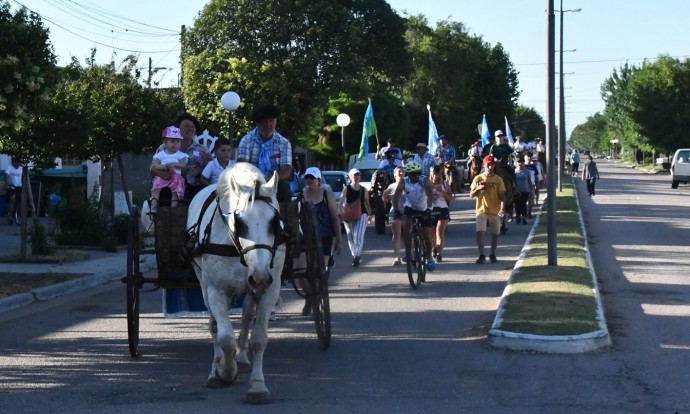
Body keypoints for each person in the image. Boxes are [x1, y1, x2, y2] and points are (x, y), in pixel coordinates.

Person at [237, 104, 293, 202]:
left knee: (285, 189)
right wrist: (256, 180)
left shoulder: (284, 143)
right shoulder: (246, 140)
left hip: (274, 183)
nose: (268, 125)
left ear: (276, 121)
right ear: (257, 123)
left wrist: (271, 180)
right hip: (251, 182)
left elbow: (286, 170)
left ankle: (286, 216)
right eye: (264, 121)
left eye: (271, 121)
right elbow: (242, 166)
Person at [151, 113, 212, 201]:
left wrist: (199, 172)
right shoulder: (164, 148)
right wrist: (165, 174)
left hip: (194, 189)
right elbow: (152, 169)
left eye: (193, 126)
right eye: (186, 126)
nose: (190, 129)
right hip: (169, 187)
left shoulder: (201, 150)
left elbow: (211, 169)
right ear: (177, 129)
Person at [392, 161, 436, 271]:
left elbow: (430, 195)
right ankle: (409, 251)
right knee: (406, 225)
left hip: (424, 208)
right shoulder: (403, 182)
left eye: (418, 173)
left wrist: (429, 209)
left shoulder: (424, 180)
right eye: (413, 174)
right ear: (409, 174)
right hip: (410, 207)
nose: (416, 175)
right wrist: (396, 210)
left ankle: (429, 257)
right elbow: (396, 197)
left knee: (426, 233)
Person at [469, 155, 506, 264]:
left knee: (495, 233)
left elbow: (502, 195)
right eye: (488, 164)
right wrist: (479, 188)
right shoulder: (478, 178)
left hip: (494, 210)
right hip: (481, 210)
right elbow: (471, 195)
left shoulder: (498, 179)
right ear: (484, 165)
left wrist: (503, 208)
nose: (490, 166)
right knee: (480, 232)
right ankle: (481, 254)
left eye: (492, 164)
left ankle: (492, 253)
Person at [150, 126, 189, 211]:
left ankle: (173, 209)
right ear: (165, 142)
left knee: (174, 192)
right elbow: (155, 165)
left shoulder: (180, 154)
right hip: (162, 176)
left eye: (178, 141)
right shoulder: (161, 154)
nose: (175, 143)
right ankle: (153, 206)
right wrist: (163, 167)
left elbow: (183, 165)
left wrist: (174, 164)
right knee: (156, 189)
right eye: (172, 141)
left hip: (175, 177)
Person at [339, 168, 371, 267]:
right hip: (349, 215)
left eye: (358, 175)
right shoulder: (346, 189)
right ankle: (355, 255)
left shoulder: (363, 189)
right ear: (350, 177)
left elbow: (367, 203)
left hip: (362, 214)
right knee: (351, 237)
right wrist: (340, 212)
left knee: (358, 236)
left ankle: (357, 255)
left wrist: (370, 214)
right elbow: (341, 202)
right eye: (354, 175)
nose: (356, 177)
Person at [382, 166, 405, 265]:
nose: (401, 174)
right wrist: (385, 199)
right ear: (394, 174)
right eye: (399, 172)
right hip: (395, 212)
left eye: (403, 172)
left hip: (408, 212)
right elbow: (385, 194)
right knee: (397, 235)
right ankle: (397, 257)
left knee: (410, 234)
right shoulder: (392, 186)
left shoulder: (408, 184)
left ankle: (412, 253)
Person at [429, 165, 452, 262]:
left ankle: (439, 254)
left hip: (442, 209)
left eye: (437, 174)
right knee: (432, 233)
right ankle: (434, 248)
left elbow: (449, 198)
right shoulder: (427, 184)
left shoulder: (444, 183)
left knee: (440, 232)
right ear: (431, 174)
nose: (436, 176)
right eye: (434, 174)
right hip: (431, 210)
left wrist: (442, 192)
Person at [513, 158, 532, 225]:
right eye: (518, 162)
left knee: (523, 204)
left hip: (525, 190)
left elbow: (529, 181)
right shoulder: (514, 171)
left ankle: (524, 218)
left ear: (523, 163)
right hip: (517, 191)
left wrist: (530, 190)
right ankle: (518, 217)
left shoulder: (527, 171)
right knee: (517, 204)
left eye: (521, 162)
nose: (520, 163)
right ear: (516, 163)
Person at [4, 157, 23, 224]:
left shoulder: (21, 169)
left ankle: (15, 215)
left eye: (18, 162)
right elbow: (6, 175)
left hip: (19, 187)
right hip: (11, 186)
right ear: (13, 162)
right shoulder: (9, 167)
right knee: (12, 199)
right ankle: (9, 215)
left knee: (18, 202)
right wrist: (8, 184)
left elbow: (24, 177)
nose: (17, 163)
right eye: (16, 162)